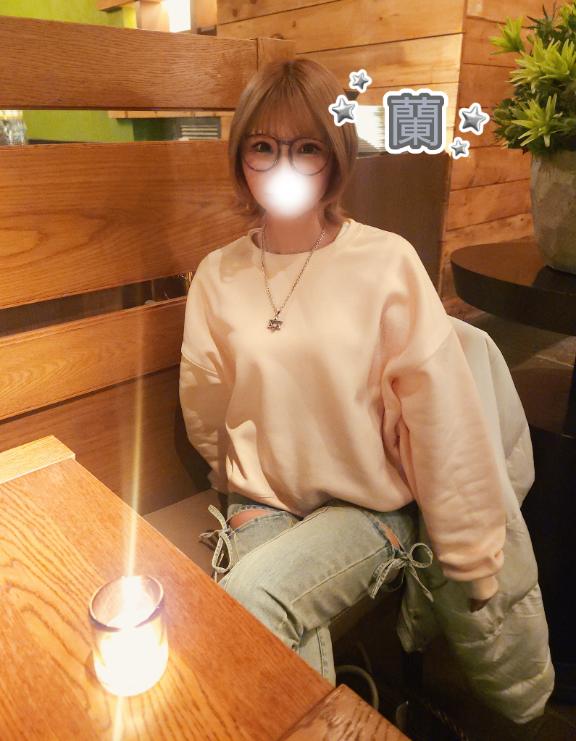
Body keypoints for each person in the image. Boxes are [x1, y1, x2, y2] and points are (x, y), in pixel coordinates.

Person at [179, 58, 506, 686]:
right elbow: (206, 406)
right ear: (241, 158)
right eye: (263, 147)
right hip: (262, 502)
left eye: (306, 148)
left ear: (335, 157)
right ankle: (346, 710)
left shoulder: (386, 262)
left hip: (367, 508)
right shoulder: (217, 274)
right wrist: (241, 482)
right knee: (261, 622)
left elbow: (442, 416)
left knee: (248, 600)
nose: (282, 165)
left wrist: (471, 555)